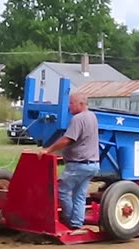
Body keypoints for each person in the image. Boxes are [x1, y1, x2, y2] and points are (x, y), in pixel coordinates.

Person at [41, 91, 99, 230]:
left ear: (81, 103)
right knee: (79, 195)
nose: (69, 106)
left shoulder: (78, 119)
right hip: (92, 165)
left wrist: (48, 150)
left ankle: (68, 219)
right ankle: (76, 224)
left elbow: (67, 139)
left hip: (78, 165)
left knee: (61, 191)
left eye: (71, 103)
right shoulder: (92, 116)